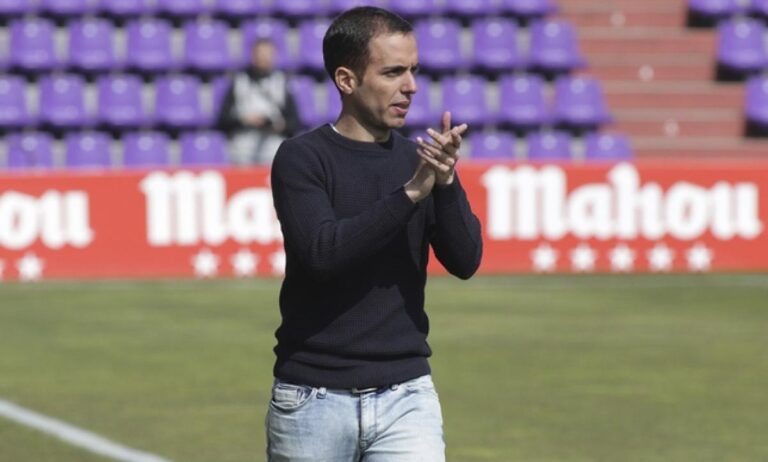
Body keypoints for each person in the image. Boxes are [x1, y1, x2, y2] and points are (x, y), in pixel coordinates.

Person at [267, 6, 483, 461]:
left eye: (413, 70)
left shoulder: (418, 162)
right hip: (313, 398)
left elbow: (466, 261)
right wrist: (409, 195)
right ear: (346, 80)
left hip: (406, 396)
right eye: (393, 72)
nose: (411, 86)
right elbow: (323, 254)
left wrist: (444, 182)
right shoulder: (301, 158)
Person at [216, 38, 302, 165]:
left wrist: (276, 125)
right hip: (242, 149)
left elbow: (294, 121)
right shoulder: (238, 82)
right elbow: (222, 119)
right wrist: (244, 120)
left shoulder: (282, 83)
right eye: (259, 53)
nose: (263, 58)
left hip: (272, 147)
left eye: (267, 54)